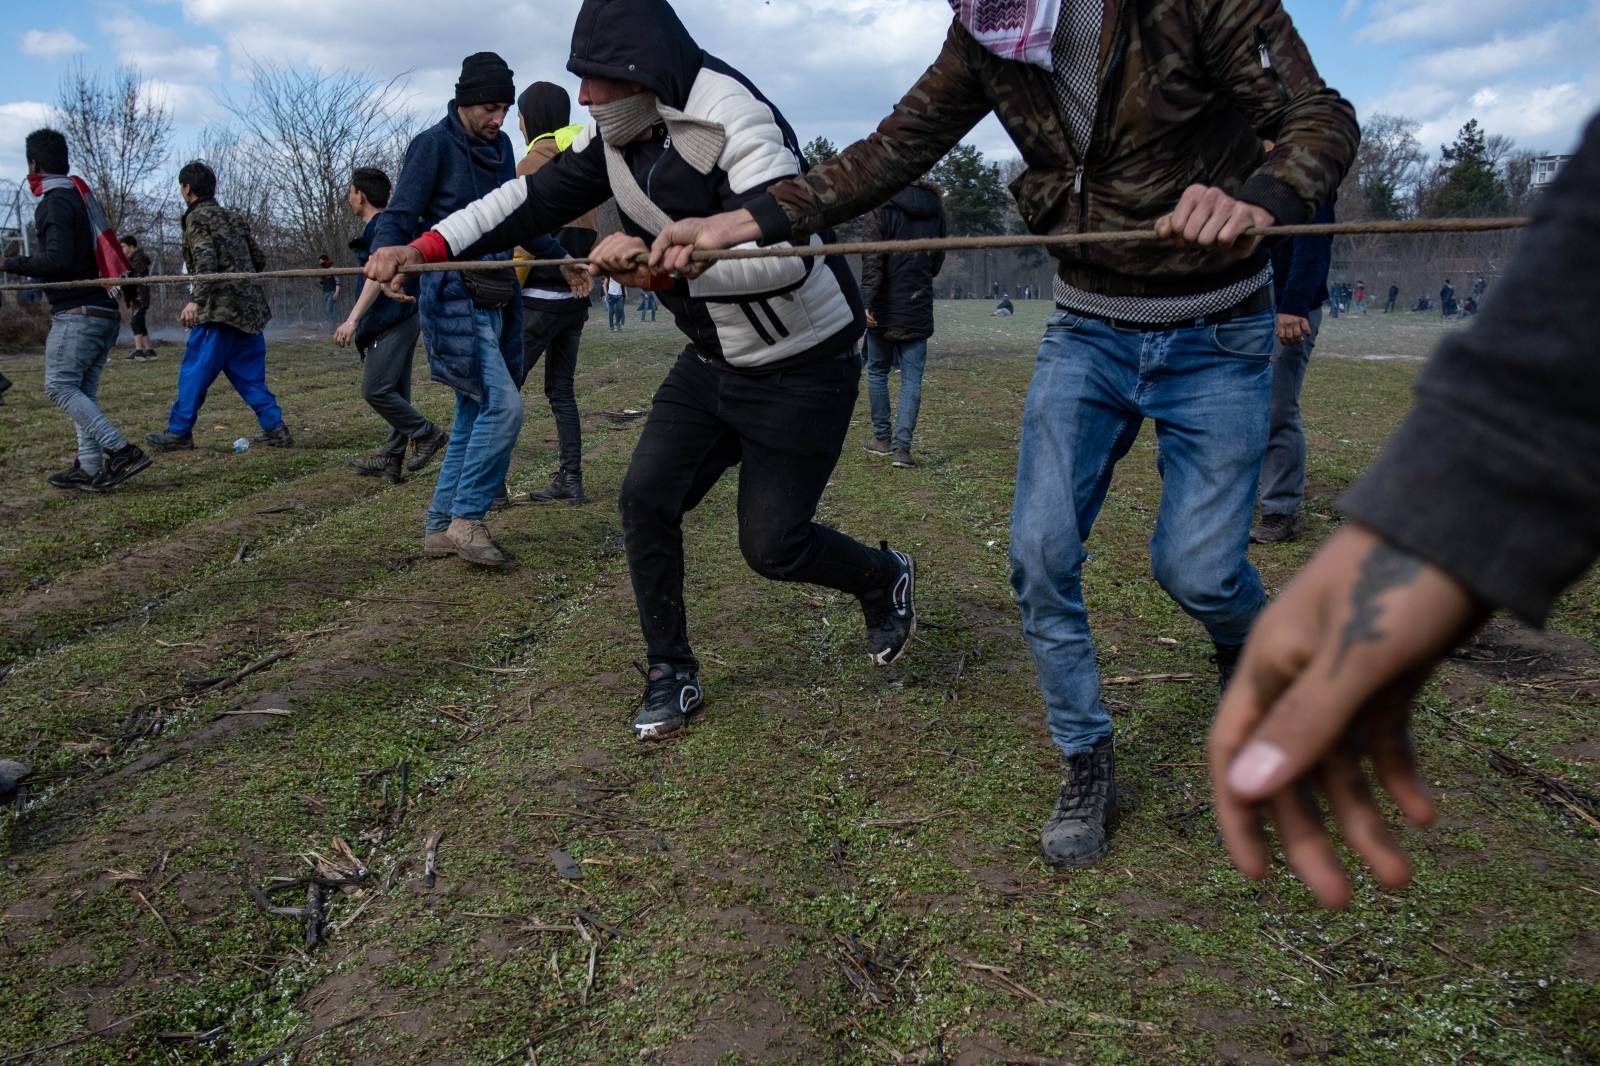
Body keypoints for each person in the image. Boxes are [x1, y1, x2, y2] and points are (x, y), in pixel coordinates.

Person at [650, 0, 1357, 870]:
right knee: (1040, 554)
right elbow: (890, 151)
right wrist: (744, 220)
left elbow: (1318, 115)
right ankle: (1085, 756)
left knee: (1201, 571)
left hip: (1215, 330)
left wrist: (1261, 195)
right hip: (1088, 329)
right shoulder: (988, 29)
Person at [365, 0, 918, 744]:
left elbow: (785, 258)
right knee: (644, 499)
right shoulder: (618, 136)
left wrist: (656, 279)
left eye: (596, 82)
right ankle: (671, 671)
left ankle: (882, 576)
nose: (584, 99)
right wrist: (422, 247)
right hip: (711, 361)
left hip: (802, 366)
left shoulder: (735, 118)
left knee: (773, 547)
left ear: (643, 73)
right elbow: (527, 199)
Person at [1210, 113, 1600, 912]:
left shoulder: (1297, 178)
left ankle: (1279, 506)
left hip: (1290, 309)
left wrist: (1460, 487)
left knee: (1281, 420)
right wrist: (1454, 508)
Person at [368, 52, 569, 568]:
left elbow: (515, 215)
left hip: (499, 294)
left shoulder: (501, 147)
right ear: (463, 100)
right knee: (505, 409)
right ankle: (467, 518)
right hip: (451, 298)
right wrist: (387, 255)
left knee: (475, 411)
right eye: (489, 107)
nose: (499, 119)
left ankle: (439, 526)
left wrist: (561, 258)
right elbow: (401, 215)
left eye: (505, 108)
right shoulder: (431, 147)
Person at [4, 128, 151, 491]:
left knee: (59, 386)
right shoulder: (79, 198)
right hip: (102, 311)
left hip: (79, 313)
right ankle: (88, 466)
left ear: (33, 164)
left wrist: (9, 262)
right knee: (80, 390)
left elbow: (58, 260)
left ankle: (121, 451)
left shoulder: (54, 202)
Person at [146, 161, 292, 453]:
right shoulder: (234, 218)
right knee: (249, 376)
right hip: (250, 311)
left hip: (219, 312)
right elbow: (258, 260)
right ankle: (276, 428)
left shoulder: (197, 218)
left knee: (195, 372)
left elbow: (206, 261)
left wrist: (196, 300)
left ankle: (179, 432)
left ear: (187, 188)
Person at [335, 166, 449, 483]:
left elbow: (377, 277)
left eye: (350, 191)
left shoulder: (384, 226)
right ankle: (392, 459)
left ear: (360, 194)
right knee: (397, 390)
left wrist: (352, 319)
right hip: (397, 320)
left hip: (393, 320)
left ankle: (427, 434)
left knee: (376, 389)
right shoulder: (384, 226)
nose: (348, 197)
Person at [514, 81, 599, 506]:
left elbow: (523, 239)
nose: (518, 123)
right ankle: (571, 480)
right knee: (561, 391)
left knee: (504, 392)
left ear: (531, 119)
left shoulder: (532, 164)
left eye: (520, 115)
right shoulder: (584, 162)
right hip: (576, 304)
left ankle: (489, 487)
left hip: (538, 304)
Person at [1253, 198, 1334, 545]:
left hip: (1286, 310)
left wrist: (1294, 304)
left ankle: (1280, 510)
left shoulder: (1306, 175)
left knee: (1277, 407)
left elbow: (1313, 243)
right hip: (1245, 309)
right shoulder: (1243, 168)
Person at [860, 180, 947, 469]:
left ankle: (882, 439)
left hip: (883, 305)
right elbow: (936, 261)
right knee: (911, 378)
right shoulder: (935, 210)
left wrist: (867, 300)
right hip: (917, 302)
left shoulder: (881, 206)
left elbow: (873, 258)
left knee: (876, 370)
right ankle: (902, 449)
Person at [120, 234, 156, 360]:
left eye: (123, 247)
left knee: (135, 323)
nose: (122, 250)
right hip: (138, 295)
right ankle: (150, 350)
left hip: (139, 296)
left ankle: (139, 350)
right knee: (140, 323)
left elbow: (137, 279)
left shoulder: (138, 259)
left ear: (131, 246)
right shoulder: (134, 259)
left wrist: (125, 277)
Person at [318, 255, 341, 332]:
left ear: (325, 260)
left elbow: (338, 282)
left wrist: (336, 292)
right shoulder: (323, 270)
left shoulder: (332, 269)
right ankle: (333, 326)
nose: (320, 262)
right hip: (325, 292)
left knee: (328, 309)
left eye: (321, 261)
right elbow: (321, 282)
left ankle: (333, 326)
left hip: (332, 291)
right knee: (330, 310)